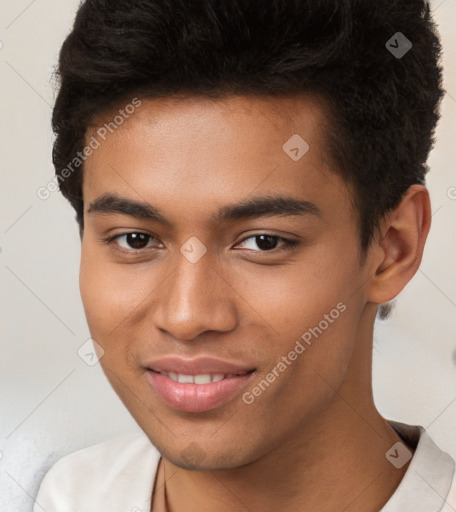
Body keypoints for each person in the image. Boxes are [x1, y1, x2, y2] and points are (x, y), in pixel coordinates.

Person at [34, 0, 454, 510]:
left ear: (392, 249)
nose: (187, 316)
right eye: (136, 239)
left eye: (263, 242)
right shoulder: (68, 496)